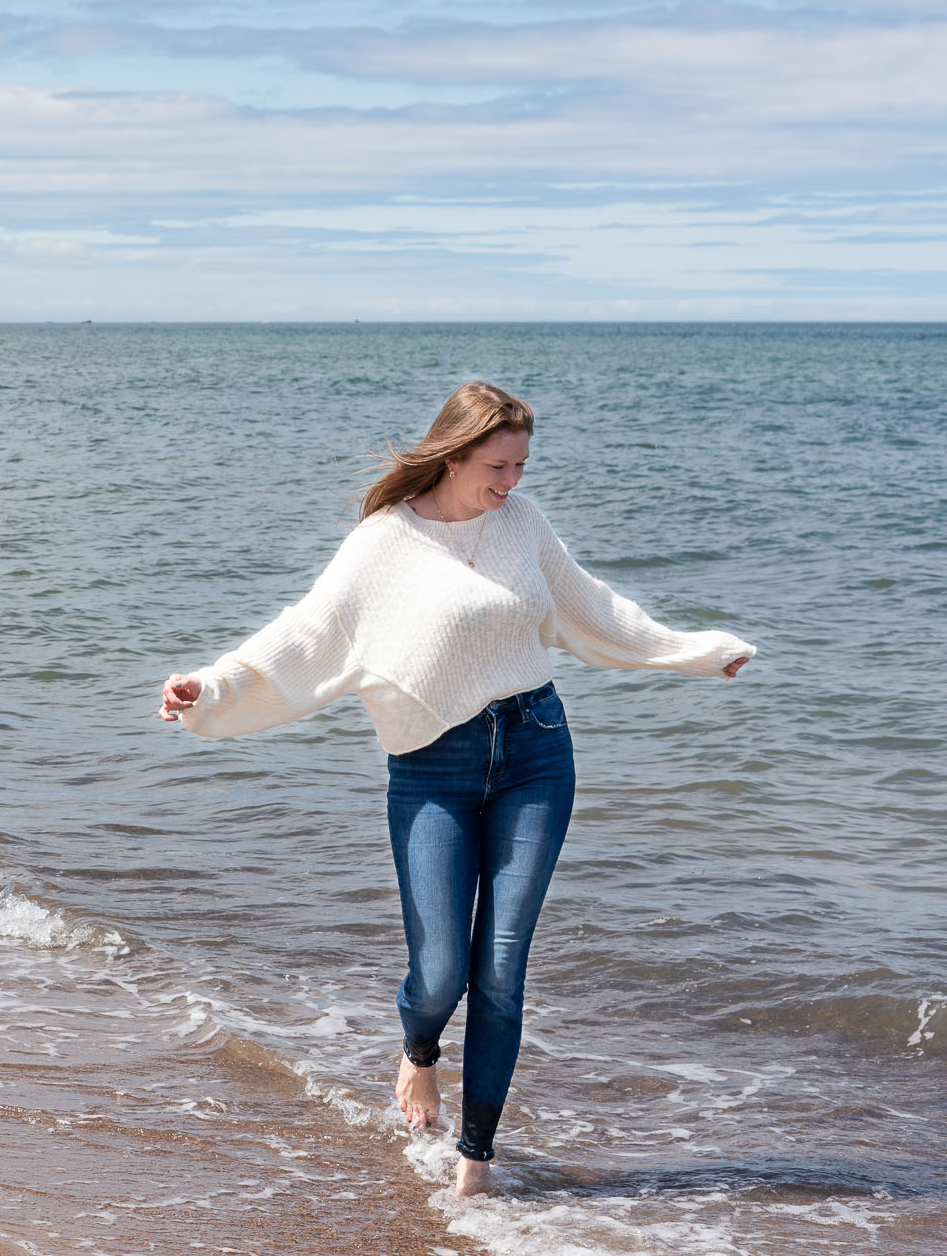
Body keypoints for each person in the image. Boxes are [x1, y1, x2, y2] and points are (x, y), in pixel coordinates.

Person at [157, 381, 753, 1197]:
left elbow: (595, 609)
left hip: (537, 751)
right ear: (453, 453)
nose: (510, 481)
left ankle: (475, 1164)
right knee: (441, 971)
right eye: (497, 465)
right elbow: (305, 635)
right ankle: (419, 1053)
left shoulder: (522, 524)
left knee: (503, 964)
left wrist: (693, 650)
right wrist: (211, 687)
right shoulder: (383, 542)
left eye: (520, 465)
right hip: (432, 769)